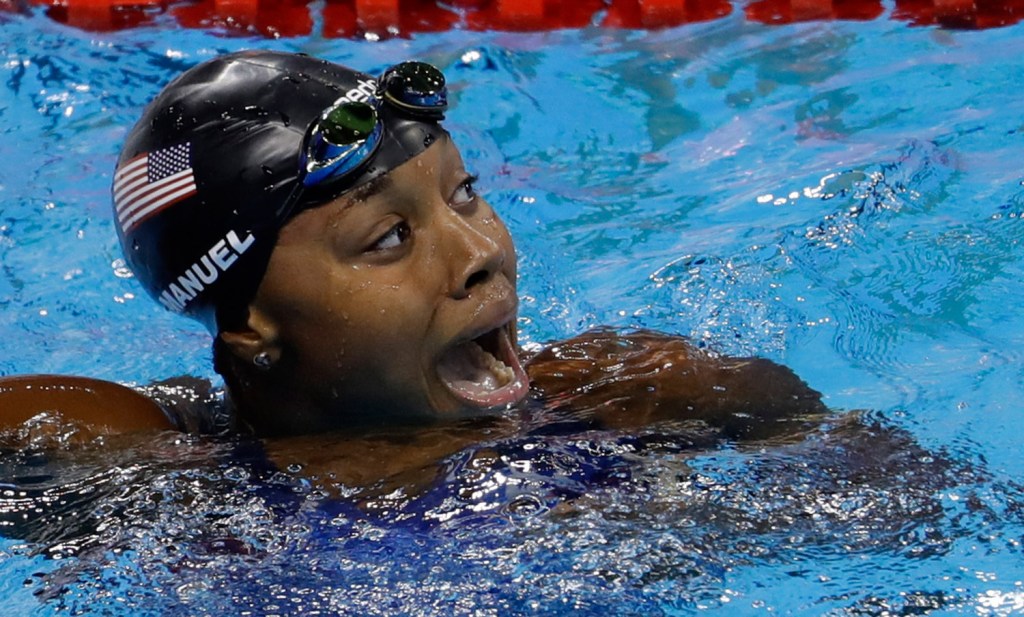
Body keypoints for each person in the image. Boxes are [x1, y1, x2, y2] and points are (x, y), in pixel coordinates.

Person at [0, 50, 825, 453]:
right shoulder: (170, 463)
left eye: (463, 192)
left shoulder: (631, 398)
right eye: (389, 237)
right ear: (252, 331)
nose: (478, 251)